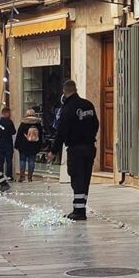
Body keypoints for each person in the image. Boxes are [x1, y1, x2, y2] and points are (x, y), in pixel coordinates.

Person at [47, 79, 99, 221]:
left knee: (77, 178)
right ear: (75, 89)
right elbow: (96, 124)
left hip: (75, 149)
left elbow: (61, 132)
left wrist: (53, 151)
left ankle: (79, 211)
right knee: (85, 178)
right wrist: (90, 136)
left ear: (64, 92)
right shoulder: (88, 105)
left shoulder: (67, 109)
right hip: (89, 147)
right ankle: (81, 207)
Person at [15, 109, 43, 182]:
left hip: (23, 145)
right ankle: (30, 177)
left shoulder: (23, 123)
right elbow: (40, 136)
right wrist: (40, 145)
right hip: (34, 145)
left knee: (22, 160)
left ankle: (22, 176)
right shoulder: (38, 124)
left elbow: (19, 135)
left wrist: (17, 145)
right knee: (31, 161)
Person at [0, 107, 16, 182]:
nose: (10, 114)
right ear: (6, 113)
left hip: (0, 144)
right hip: (8, 143)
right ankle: (9, 176)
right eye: (9, 113)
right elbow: (13, 131)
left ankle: (0, 176)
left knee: (0, 161)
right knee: (9, 161)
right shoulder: (9, 121)